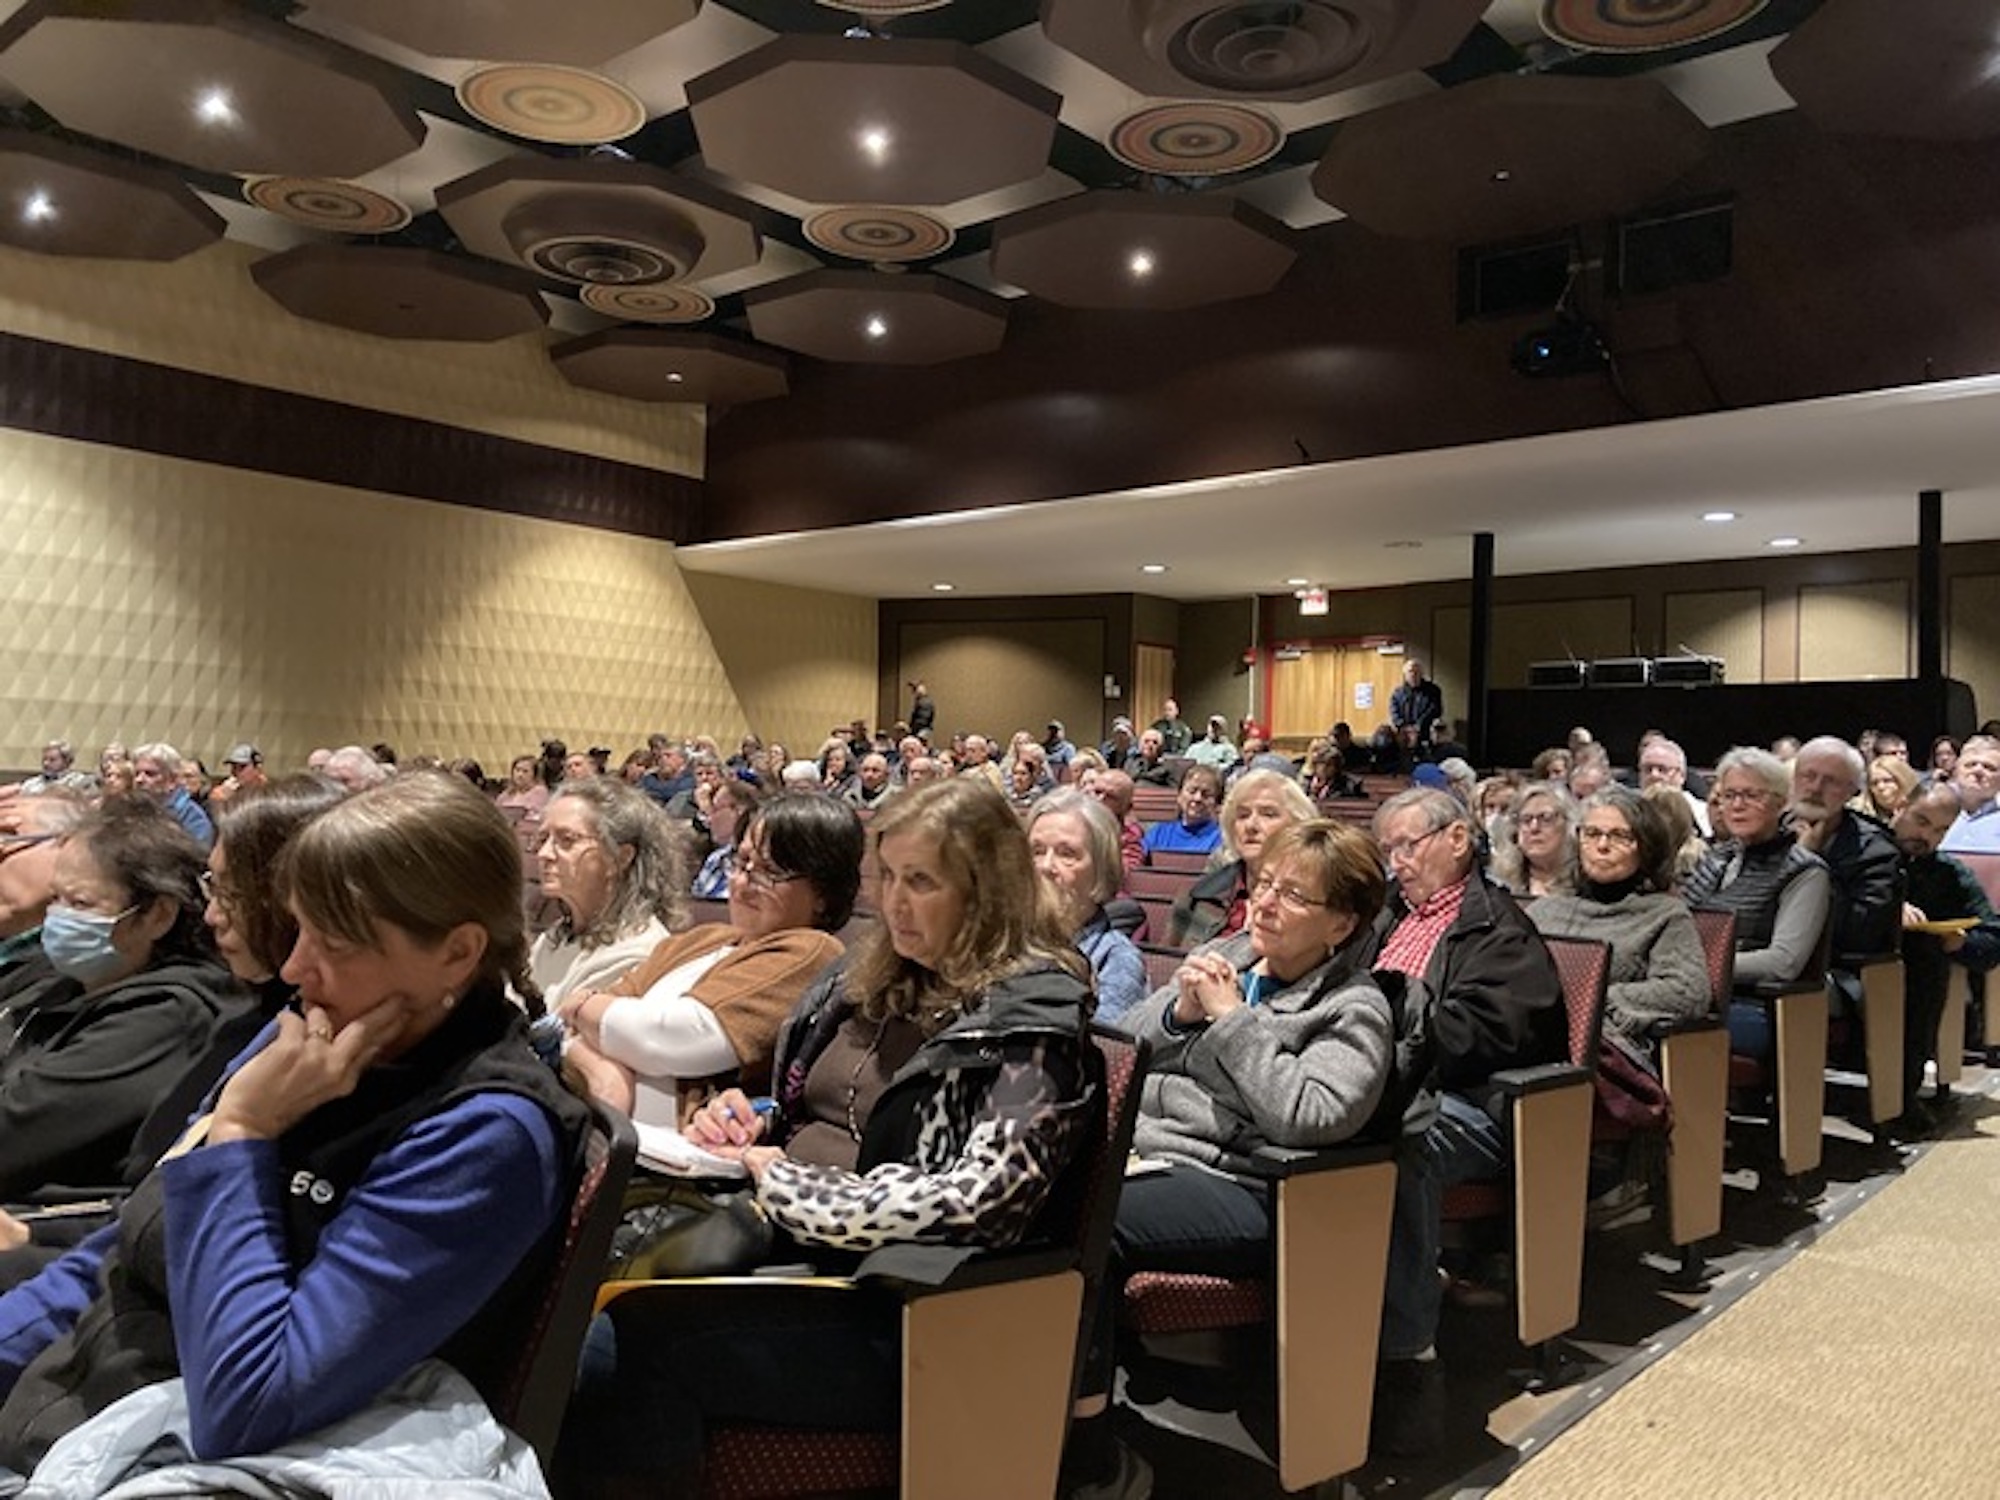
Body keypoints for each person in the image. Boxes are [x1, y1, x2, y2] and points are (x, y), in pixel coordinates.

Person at [0, 772, 588, 1484]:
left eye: (335, 942)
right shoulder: (307, 1037)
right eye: (298, 926)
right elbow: (123, 1250)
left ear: (458, 953)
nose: (293, 966)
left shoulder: (487, 1135)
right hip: (71, 1403)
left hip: (175, 1454)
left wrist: (242, 1134)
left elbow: (248, 1401)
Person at [557, 778, 1093, 1495]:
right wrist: (751, 1119)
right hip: (795, 1243)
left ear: (987, 890)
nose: (895, 903)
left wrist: (781, 1180)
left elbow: (979, 1203)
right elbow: (828, 1109)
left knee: (617, 1346)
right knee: (573, 1290)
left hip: (913, 1306)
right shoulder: (884, 976)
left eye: (922, 882)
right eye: (890, 877)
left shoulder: (1032, 1019)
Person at [1067, 819, 1399, 1496]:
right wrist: (1180, 1016)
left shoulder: (1352, 1008)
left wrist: (1229, 1022)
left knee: (1086, 1219)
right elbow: (1119, 1048)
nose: (1267, 904)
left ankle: (1090, 1454)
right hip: (1146, 1155)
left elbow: (1312, 1116)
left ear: (1341, 925)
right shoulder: (1232, 956)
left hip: (1247, 1188)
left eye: (1295, 896)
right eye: (1266, 884)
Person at [0, 777, 345, 1287]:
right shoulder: (258, 1021)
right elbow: (144, 1214)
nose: (210, 914)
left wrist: (33, 1245)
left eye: (230, 893)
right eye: (211, 887)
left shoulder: (183, 1013)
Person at [1365, 786, 1564, 1453]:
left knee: (1393, 1141)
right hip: (1379, 1084)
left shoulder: (1497, 928)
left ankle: (1408, 1359)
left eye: (1406, 845)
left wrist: (1382, 1015)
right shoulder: (1386, 918)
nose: (1395, 862)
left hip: (1472, 1106)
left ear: (1457, 839)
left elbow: (1483, 1038)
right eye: (1386, 848)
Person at [0, 799, 237, 1202]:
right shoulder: (61, 976)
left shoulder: (169, 1014)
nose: (57, 918)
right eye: (55, 899)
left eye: (80, 904)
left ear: (156, 915)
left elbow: (16, 1132)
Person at [1528, 789, 1708, 1052]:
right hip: (1527, 1036)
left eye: (1620, 836)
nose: (1602, 846)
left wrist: (1592, 1001)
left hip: (1602, 1051)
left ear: (1646, 847)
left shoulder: (1664, 915)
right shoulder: (1544, 911)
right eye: (1591, 834)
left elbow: (1688, 991)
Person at [1682, 747, 1832, 1061]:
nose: (1737, 806)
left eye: (1751, 795)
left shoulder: (1805, 871)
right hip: (1694, 992)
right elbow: (1678, 924)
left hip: (1755, 1006)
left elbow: (1783, 963)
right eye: (1729, 795)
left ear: (1780, 802)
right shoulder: (1716, 858)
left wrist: (1697, 969)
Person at [1893, 782, 2000, 1132]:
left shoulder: (1950, 874)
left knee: (1927, 955)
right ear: (1899, 807)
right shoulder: (1868, 853)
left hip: (1917, 970)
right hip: (1852, 961)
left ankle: (1902, 1096)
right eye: (1921, 821)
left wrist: (1960, 944)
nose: (1927, 837)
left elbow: (1992, 939)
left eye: (1940, 830)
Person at [527, 778, 684, 1012]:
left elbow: (559, 1043)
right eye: (542, 839)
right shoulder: (555, 938)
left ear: (619, 858)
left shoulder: (636, 956)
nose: (544, 853)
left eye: (566, 840)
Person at [1028, 790, 1146, 1027]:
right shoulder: (1001, 940)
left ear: (1101, 868)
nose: (1045, 866)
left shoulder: (1115, 960)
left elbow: (1105, 1054)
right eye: (1036, 851)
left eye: (1066, 854)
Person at [1168, 766, 1315, 949]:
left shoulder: (1316, 901)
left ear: (1298, 825)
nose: (1251, 826)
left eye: (1268, 814)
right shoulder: (1196, 896)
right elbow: (1170, 966)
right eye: (1243, 815)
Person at [1490, 782, 1578, 898]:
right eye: (1526, 819)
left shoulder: (1583, 881)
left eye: (1546, 818)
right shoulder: (1500, 883)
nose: (1534, 828)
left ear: (1568, 824)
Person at [130, 742, 214, 849]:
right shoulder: (133, 810)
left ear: (172, 780)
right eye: (137, 773)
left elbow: (197, 861)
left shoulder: (193, 818)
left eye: (150, 774)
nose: (139, 780)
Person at [692, 774, 764, 898]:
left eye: (715, 809)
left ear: (739, 811)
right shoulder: (716, 858)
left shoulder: (762, 864)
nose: (710, 819)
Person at [1140, 763, 1224, 861]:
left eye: (1206, 795)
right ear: (1179, 796)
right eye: (1192, 791)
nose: (1197, 798)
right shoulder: (1159, 832)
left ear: (1217, 804)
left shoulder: (1220, 839)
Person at [1939, 734, 2000, 853]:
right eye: (1970, 765)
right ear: (1956, 771)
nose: (1978, 771)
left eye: (1989, 767)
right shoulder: (1933, 816)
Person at [1390, 659, 1443, 752]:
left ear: (1421, 673)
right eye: (1410, 671)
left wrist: (1418, 726)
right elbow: (1394, 712)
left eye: (1416, 671)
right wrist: (1404, 726)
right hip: (1403, 733)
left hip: (1425, 732)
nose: (1413, 674)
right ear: (1405, 674)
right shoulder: (1398, 693)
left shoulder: (1433, 690)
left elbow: (1435, 710)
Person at [16, 744, 91, 797]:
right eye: (44, 759)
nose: (46, 763)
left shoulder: (78, 781)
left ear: (67, 762)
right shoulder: (31, 783)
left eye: (52, 760)